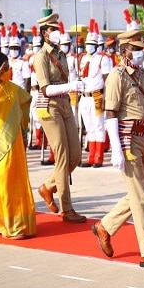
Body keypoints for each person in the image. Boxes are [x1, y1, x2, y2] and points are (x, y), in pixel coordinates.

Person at [91, 29, 144, 271]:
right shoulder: (117, 76)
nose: (140, 53)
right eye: (135, 49)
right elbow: (111, 113)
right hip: (127, 139)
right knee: (141, 198)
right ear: (123, 51)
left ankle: (105, 226)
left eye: (141, 49)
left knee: (138, 192)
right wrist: (115, 148)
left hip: (142, 135)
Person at [33, 12, 87, 223]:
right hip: (50, 106)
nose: (56, 33)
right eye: (52, 30)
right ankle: (67, 208)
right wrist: (70, 86)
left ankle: (47, 187)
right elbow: (45, 89)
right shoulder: (41, 56)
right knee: (63, 157)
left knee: (75, 155)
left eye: (57, 29)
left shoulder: (61, 54)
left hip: (65, 103)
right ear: (45, 34)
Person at [0, 52, 36, 239]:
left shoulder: (13, 88)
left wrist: (25, 134)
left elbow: (25, 103)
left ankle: (16, 223)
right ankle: (5, 225)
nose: (8, 71)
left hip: (14, 141)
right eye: (5, 68)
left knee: (15, 181)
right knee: (0, 181)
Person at [79, 19, 111, 168]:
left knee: (99, 126)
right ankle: (91, 156)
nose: (89, 47)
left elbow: (108, 80)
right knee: (89, 127)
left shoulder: (103, 58)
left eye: (92, 45)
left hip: (97, 95)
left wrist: (106, 97)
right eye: (88, 44)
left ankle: (99, 157)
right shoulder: (83, 58)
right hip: (84, 97)